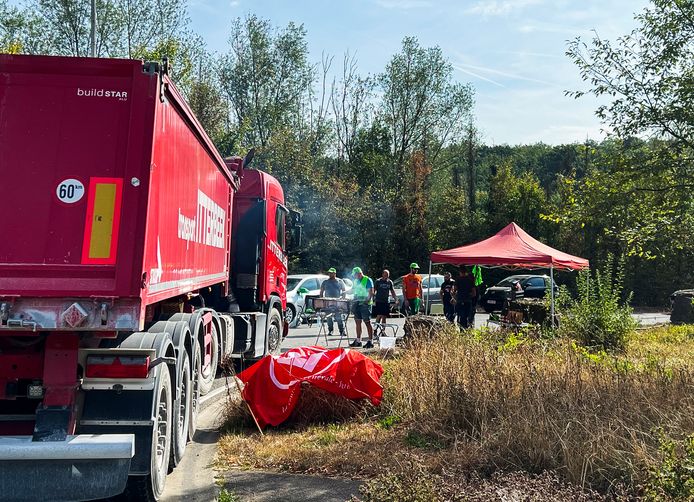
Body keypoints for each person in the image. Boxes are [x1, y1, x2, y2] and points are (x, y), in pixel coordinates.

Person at [350, 267, 375, 348]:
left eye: (355, 275)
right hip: (357, 303)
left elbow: (371, 291)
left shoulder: (367, 279)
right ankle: (358, 341)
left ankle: (370, 341)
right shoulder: (356, 281)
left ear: (359, 273)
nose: (355, 277)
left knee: (367, 322)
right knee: (357, 322)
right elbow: (354, 291)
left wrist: (367, 300)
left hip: (365, 304)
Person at [319, 267, 345, 336]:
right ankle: (330, 330)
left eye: (331, 273)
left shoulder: (339, 281)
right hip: (328, 302)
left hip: (337, 302)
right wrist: (322, 300)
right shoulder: (325, 282)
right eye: (329, 273)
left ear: (335, 274)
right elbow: (321, 291)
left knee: (338, 317)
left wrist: (342, 299)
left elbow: (344, 291)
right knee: (329, 317)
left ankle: (341, 331)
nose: (330, 274)